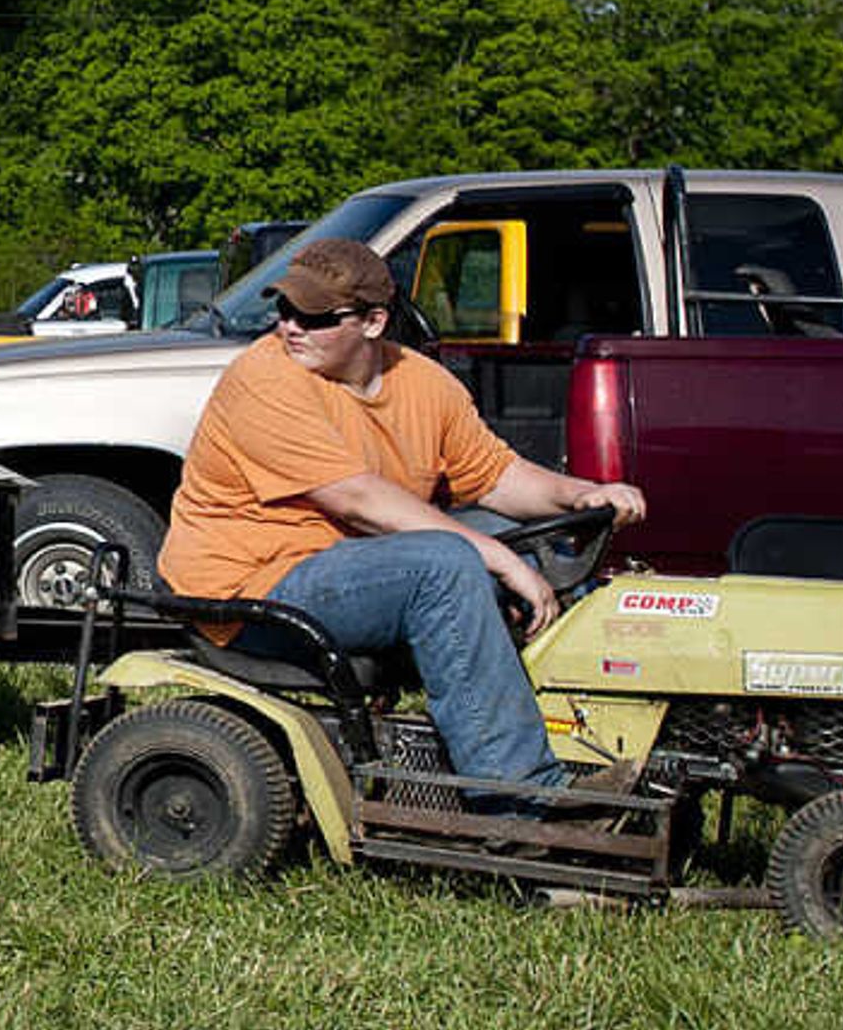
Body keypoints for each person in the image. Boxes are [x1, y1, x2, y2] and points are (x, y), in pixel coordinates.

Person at [158, 238, 648, 793]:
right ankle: (520, 798)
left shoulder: (423, 382)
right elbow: (358, 500)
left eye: (313, 316)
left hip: (350, 565)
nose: (289, 326)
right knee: (447, 565)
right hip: (252, 585)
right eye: (284, 309)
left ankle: (605, 752)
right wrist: (499, 560)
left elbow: (495, 475)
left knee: (555, 548)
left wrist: (583, 495)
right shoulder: (264, 377)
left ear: (373, 322)